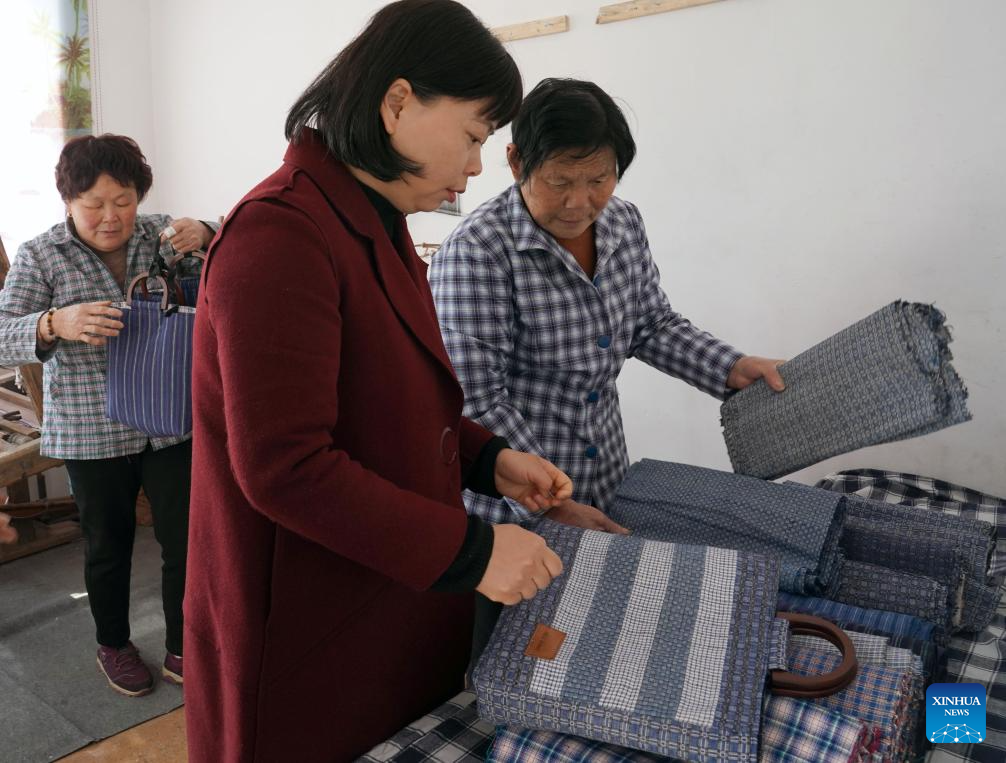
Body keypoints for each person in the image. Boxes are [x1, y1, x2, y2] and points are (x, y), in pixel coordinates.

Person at [183, 2, 574, 760]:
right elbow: (286, 466)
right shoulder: (279, 232)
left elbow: (388, 395)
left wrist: (489, 460)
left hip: (388, 594)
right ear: (397, 103)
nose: (476, 166)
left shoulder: (376, 220)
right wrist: (474, 551)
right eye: (473, 135)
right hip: (306, 623)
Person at [429, 78, 786, 526]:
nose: (579, 203)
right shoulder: (477, 251)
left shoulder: (622, 222)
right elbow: (477, 403)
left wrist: (732, 368)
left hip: (607, 478)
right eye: (559, 181)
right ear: (517, 162)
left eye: (599, 180)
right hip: (515, 509)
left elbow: (651, 325)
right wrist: (552, 503)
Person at [0, 134, 216, 696]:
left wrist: (208, 231)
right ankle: (114, 644)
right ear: (68, 200)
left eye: (123, 201)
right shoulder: (40, 254)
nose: (111, 216)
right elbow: (1, 335)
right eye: (93, 204)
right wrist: (54, 323)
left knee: (186, 541)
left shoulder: (162, 235)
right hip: (91, 430)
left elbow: (237, 254)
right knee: (106, 545)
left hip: (170, 422)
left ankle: (182, 645)